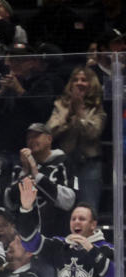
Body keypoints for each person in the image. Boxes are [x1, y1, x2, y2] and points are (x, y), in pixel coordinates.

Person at [45, 66, 106, 211]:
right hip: (65, 165)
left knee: (88, 208)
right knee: (63, 209)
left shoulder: (97, 107)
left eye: (84, 80)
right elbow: (50, 131)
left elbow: (93, 132)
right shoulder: (60, 104)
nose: (79, 83)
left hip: (89, 165)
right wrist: (68, 114)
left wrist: (79, 114)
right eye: (76, 80)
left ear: (91, 84)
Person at [4, 123, 76, 240]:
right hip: (25, 236)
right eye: (29, 137)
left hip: (56, 235)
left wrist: (37, 175)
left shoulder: (63, 162)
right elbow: (9, 202)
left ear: (49, 139)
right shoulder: (20, 167)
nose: (32, 140)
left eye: (36, 136)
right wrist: (26, 172)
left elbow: (68, 201)